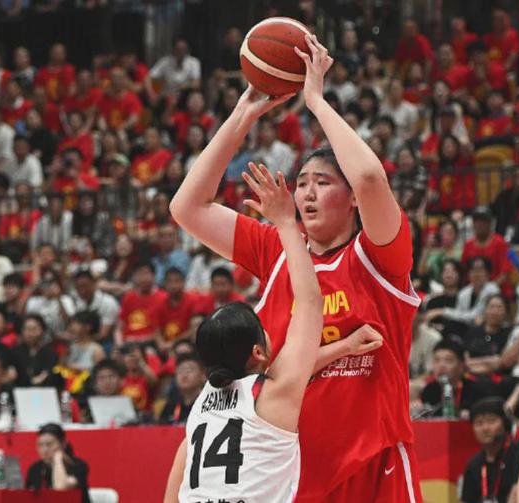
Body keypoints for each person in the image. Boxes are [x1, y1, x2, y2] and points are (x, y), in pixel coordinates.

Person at [170, 32, 422, 502]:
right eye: (301, 182)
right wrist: (244, 112)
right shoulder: (278, 247)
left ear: (351, 199)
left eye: (322, 182)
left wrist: (316, 102)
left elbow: (370, 177)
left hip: (371, 468)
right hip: (292, 474)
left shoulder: (379, 257)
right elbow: (187, 208)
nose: (306, 192)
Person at [165, 163, 382, 502]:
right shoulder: (271, 398)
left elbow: (173, 490)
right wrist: (285, 223)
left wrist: (345, 347)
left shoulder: (202, 406)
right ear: (257, 351)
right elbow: (310, 303)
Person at [460, 397, 519, 503]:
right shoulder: (473, 465)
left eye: (491, 421)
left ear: (505, 424)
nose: (485, 428)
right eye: (479, 423)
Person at [418, 339, 488, 419]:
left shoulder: (476, 390)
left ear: (461, 366)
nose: (441, 365)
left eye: (448, 360)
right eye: (437, 360)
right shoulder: (429, 390)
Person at [26, 423, 91, 503]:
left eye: (49, 444)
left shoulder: (77, 465)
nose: (44, 450)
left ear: (63, 444)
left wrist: (58, 459)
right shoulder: (35, 468)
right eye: (40, 445)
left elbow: (61, 488)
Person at [158, 353, 205, 425]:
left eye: (189, 370)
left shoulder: (208, 403)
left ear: (203, 376)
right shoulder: (171, 405)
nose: (184, 375)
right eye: (180, 370)